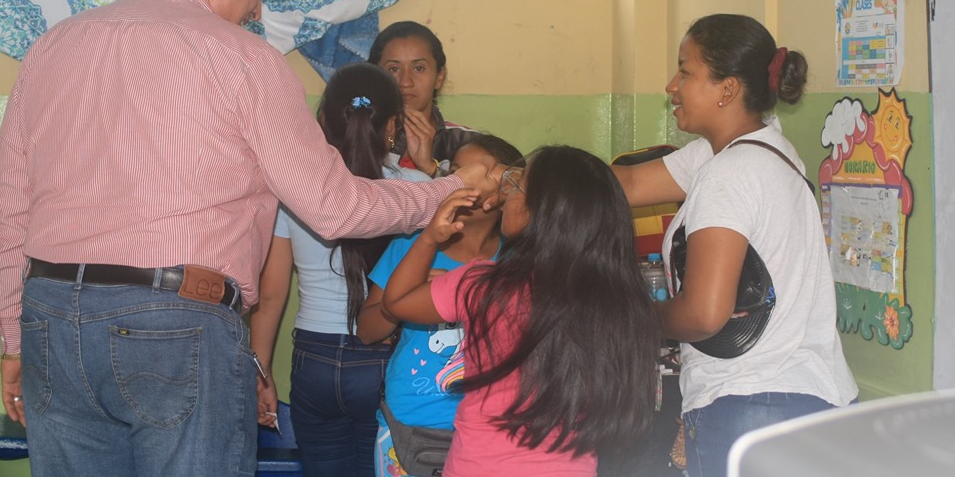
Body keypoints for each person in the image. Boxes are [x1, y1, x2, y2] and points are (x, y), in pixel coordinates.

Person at [0, 0, 497, 477]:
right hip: (177, 322)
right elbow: (334, 207)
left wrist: (13, 336)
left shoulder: (53, 47)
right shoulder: (245, 59)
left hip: (52, 317)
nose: (257, 8)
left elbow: (8, 208)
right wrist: (446, 189)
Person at [611, 14, 858, 477]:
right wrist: (519, 178)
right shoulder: (757, 149)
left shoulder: (728, 174)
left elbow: (704, 314)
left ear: (726, 89)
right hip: (811, 400)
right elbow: (626, 184)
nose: (671, 86)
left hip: (753, 406)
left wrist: (631, 318)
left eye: (685, 72)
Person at [380, 145, 661, 476]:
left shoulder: (486, 285)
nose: (506, 194)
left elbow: (396, 301)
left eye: (517, 186)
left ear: (533, 212)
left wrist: (429, 237)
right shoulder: (618, 303)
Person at [250, 62, 431, 477]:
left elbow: (271, 294)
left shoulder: (294, 190)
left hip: (313, 361)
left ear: (321, 121)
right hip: (387, 357)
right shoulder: (420, 190)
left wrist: (261, 372)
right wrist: (433, 168)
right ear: (393, 126)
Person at [357, 134, 523, 477]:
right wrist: (405, 299)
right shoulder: (413, 245)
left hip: (489, 430)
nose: (460, 182)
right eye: (455, 172)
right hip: (409, 424)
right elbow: (366, 331)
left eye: (476, 175)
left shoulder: (517, 258)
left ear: (506, 190)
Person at [368, 21, 481, 177]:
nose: (406, 82)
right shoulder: (355, 139)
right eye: (394, 69)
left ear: (439, 77)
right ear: (375, 77)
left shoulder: (468, 144)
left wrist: (432, 169)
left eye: (418, 68)